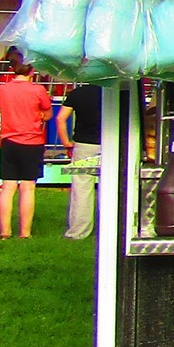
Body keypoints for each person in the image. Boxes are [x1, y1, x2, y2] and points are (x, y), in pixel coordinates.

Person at [0, 51, 54, 239]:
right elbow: (48, 114)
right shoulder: (38, 90)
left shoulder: (3, 89)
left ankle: (5, 232)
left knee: (7, 187)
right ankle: (25, 233)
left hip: (8, 141)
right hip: (32, 142)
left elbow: (1, 108)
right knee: (28, 188)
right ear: (32, 69)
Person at [61, 81, 103, 240]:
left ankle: (78, 232)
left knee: (82, 188)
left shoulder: (78, 93)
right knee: (114, 186)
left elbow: (61, 118)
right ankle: (113, 228)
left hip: (84, 145)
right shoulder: (113, 93)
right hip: (111, 142)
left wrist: (66, 142)